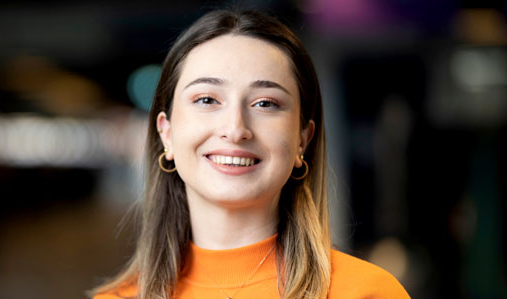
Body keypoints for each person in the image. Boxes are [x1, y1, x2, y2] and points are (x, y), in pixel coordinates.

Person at [91, 9, 410, 299]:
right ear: (167, 133)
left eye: (265, 103)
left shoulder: (367, 293)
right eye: (206, 99)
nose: (235, 128)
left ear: (303, 140)